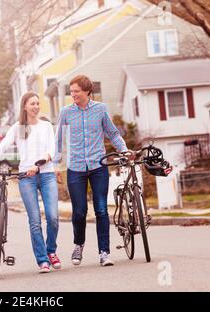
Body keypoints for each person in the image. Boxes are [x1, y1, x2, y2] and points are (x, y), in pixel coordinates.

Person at [0, 92, 61, 274]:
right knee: (35, 220)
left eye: (37, 103)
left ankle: (51, 251)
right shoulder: (18, 128)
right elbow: (1, 148)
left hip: (46, 174)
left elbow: (52, 149)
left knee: (53, 218)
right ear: (25, 107)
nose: (36, 106)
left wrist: (39, 164)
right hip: (26, 178)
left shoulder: (46, 126)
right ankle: (42, 260)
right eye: (32, 104)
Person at [54, 75, 131, 267]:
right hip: (76, 168)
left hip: (98, 166)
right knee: (79, 211)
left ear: (87, 92)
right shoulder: (66, 112)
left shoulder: (101, 109)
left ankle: (104, 252)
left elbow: (113, 133)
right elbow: (58, 141)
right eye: (71, 92)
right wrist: (55, 164)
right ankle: (78, 245)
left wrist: (124, 150)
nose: (73, 95)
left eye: (76, 92)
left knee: (101, 209)